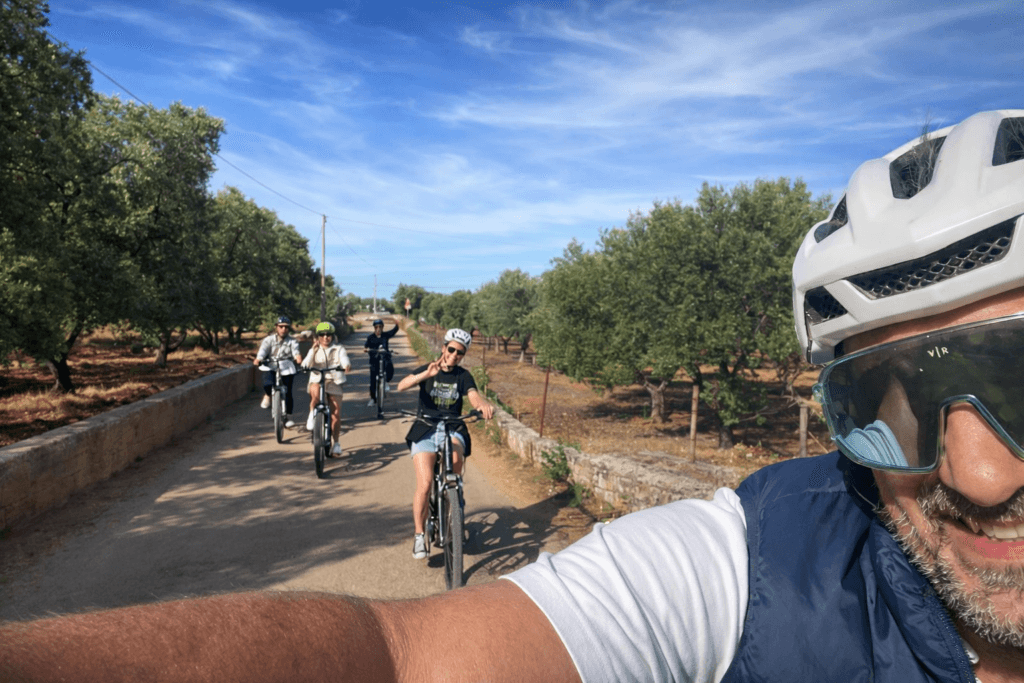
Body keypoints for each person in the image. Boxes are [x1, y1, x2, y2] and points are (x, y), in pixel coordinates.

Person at [4, 110, 1024, 682]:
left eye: (1015, 374)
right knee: (422, 468)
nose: (976, 472)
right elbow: (398, 658)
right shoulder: (757, 564)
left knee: (455, 447)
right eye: (884, 394)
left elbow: (483, 408)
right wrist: (401, 379)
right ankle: (420, 529)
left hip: (452, 425)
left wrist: (485, 413)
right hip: (413, 426)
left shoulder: (464, 371)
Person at [395, 327, 495, 559]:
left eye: (460, 352)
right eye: (451, 349)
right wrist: (425, 375)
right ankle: (419, 535)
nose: (454, 355)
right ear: (443, 348)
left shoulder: (463, 376)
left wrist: (481, 405)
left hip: (452, 427)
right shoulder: (428, 369)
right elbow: (401, 386)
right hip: (425, 428)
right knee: (425, 483)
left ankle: (454, 510)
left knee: (456, 463)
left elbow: (473, 395)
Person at [301, 321, 351, 456]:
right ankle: (311, 416)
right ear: (318, 337)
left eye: (328, 335)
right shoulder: (314, 349)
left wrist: (346, 365)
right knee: (315, 393)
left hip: (334, 381)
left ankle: (337, 443)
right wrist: (306, 363)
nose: (325, 337)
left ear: (332, 336)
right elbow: (306, 362)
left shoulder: (339, 348)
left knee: (336, 415)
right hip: (317, 379)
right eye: (322, 335)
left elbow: (344, 358)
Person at [252, 316, 303, 429]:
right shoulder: (268, 340)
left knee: (288, 391)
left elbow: (295, 351)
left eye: (286, 327)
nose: (283, 329)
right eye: (281, 326)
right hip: (271, 365)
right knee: (267, 383)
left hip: (286, 366)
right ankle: (268, 395)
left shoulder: (292, 341)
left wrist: (297, 357)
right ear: (276, 327)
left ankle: (288, 417)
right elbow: (263, 350)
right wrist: (259, 359)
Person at [363, 318, 399, 407]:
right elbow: (366, 346)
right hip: (374, 360)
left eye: (380, 327)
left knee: (390, 367)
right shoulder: (370, 337)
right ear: (374, 328)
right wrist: (366, 349)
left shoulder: (385, 335)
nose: (378, 329)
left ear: (382, 327)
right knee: (373, 380)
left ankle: (386, 382)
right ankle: (372, 399)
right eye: (376, 327)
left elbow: (393, 332)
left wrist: (397, 325)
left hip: (385, 358)